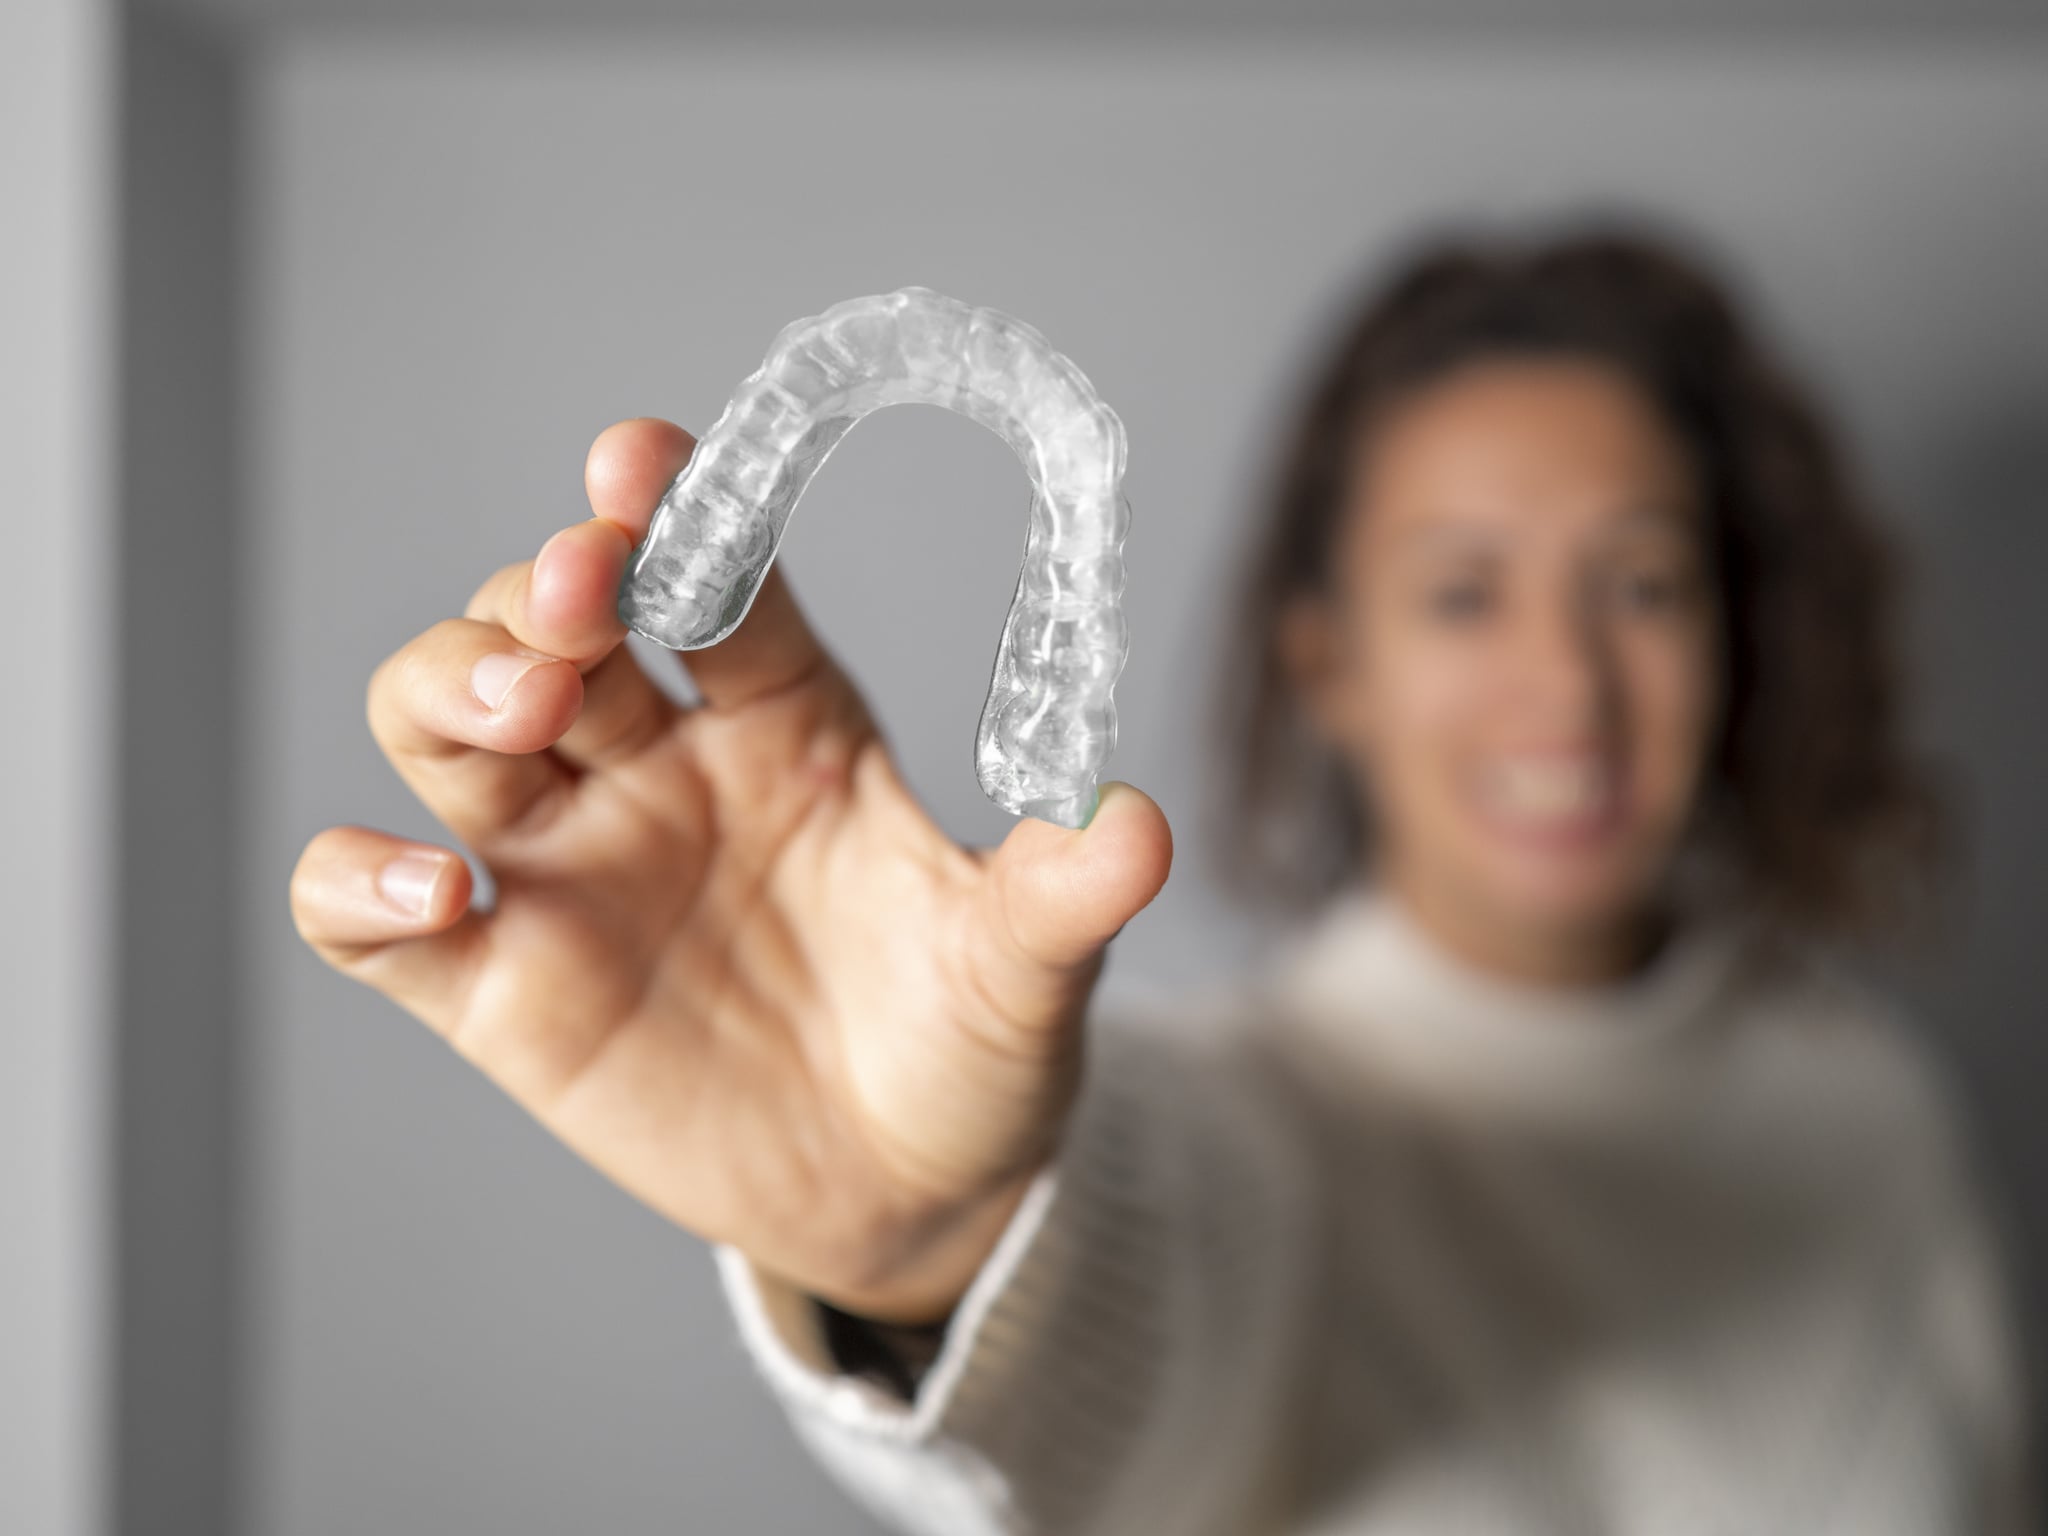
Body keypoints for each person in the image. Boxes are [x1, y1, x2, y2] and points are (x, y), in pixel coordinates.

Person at [289, 220, 2034, 1534]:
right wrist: (939, 1245)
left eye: (1644, 585)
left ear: (1739, 633)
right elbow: (1145, 1311)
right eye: (1463, 590)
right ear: (1327, 659)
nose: (1566, 683)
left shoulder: (1875, 1112)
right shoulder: (1252, 1132)